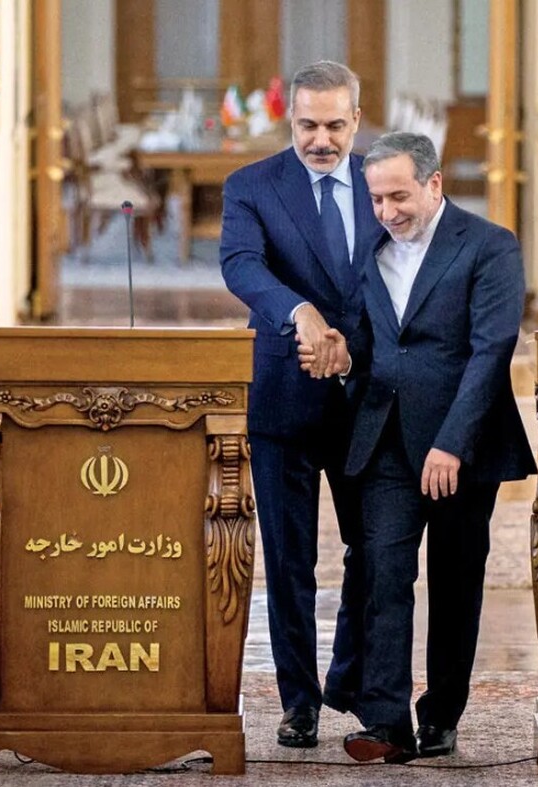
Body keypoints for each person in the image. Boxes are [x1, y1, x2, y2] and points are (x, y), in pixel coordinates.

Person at [302, 131, 536, 763]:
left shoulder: (489, 246)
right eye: (376, 199)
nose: (386, 212)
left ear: (434, 184)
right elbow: (369, 338)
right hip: (384, 438)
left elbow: (491, 351)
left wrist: (452, 444)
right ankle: (385, 722)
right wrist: (342, 354)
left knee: (456, 582)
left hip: (465, 446)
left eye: (398, 197)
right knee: (382, 572)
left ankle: (441, 715)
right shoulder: (370, 249)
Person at [219, 60, 381, 748]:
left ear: (356, 121)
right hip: (283, 394)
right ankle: (299, 702)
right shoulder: (251, 186)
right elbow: (241, 265)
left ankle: (348, 679)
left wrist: (351, 346)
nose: (321, 139)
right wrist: (300, 312)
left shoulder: (382, 180)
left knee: (374, 548)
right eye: (309, 125)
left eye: (335, 125)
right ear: (291, 120)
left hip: (367, 394)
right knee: (288, 561)